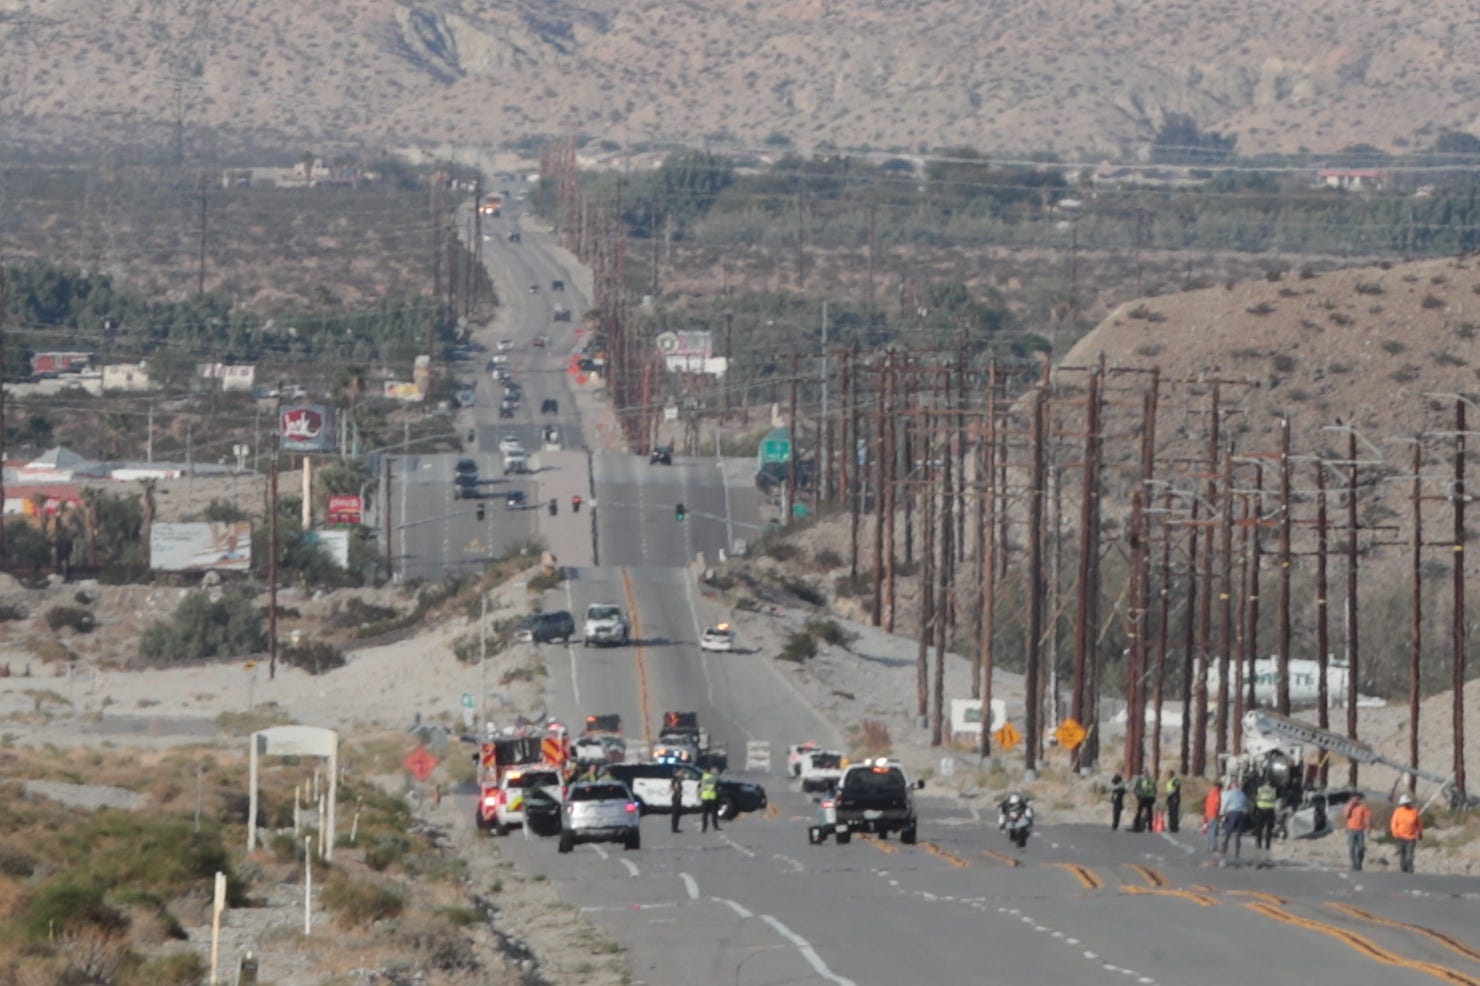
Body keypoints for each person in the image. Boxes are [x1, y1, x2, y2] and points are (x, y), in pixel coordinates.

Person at [1389, 793, 1423, 873]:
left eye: (1407, 803)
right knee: (1402, 854)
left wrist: (1420, 832)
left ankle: (1410, 868)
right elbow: (1394, 823)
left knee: (1409, 854)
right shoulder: (1398, 812)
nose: (1406, 805)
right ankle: (1403, 868)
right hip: (1400, 837)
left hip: (1411, 837)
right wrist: (1395, 833)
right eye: (1404, 804)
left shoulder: (1414, 812)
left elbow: (1419, 823)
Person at [1220, 783, 1249, 860]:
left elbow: (1225, 803)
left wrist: (1222, 812)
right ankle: (1237, 851)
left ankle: (1224, 849)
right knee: (1238, 834)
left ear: (1232, 787)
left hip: (1232, 813)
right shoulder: (1242, 794)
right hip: (1241, 813)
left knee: (1228, 832)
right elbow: (1246, 804)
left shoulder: (1230, 793)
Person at [1343, 792, 1372, 871]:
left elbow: (1367, 817)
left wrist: (1368, 827)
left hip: (1360, 830)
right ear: (1351, 798)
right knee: (1351, 847)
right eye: (1353, 798)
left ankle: (1359, 862)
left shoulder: (1363, 807)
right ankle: (1354, 863)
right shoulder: (1348, 806)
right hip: (1351, 830)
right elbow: (1346, 815)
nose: (1355, 800)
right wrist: (1351, 805)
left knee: (1361, 848)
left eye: (1357, 798)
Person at [1253, 780, 1279, 850]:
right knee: (1269, 829)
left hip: (1261, 809)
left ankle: (1259, 843)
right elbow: (1275, 799)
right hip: (1270, 810)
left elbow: (1256, 799)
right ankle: (1267, 844)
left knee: (1259, 828)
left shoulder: (1260, 789)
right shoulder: (1273, 790)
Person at [1202, 783, 1222, 853]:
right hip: (1214, 814)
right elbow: (1217, 805)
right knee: (1213, 831)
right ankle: (1213, 847)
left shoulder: (1210, 793)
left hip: (1208, 814)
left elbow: (1205, 803)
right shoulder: (1217, 794)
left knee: (1208, 830)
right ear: (1220, 788)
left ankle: (1207, 846)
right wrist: (1218, 814)